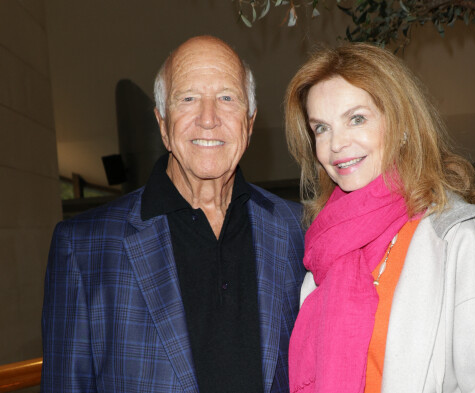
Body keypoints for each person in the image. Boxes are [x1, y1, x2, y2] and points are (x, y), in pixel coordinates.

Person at [41, 35, 305, 393]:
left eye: (227, 98)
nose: (208, 119)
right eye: (188, 98)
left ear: (250, 121)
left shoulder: (296, 229)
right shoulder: (84, 247)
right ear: (163, 124)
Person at [284, 42, 475, 393]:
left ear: (403, 125)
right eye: (321, 128)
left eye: (357, 119)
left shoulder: (460, 240)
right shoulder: (325, 248)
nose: (335, 144)